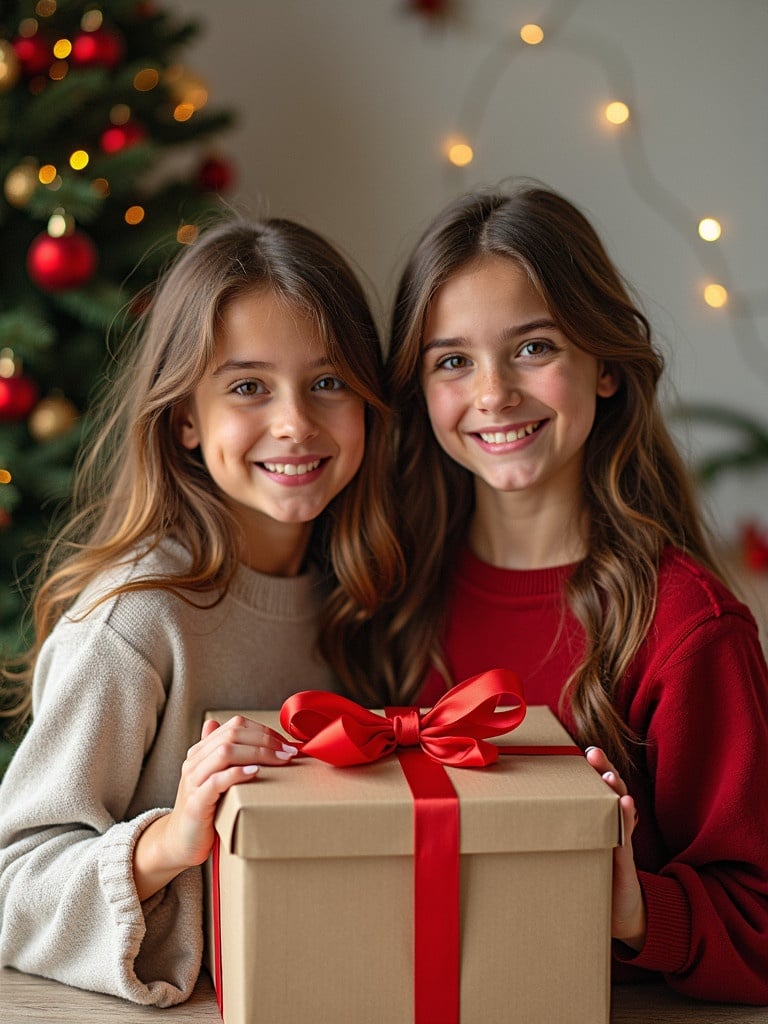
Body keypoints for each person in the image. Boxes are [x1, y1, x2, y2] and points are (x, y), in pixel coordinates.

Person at [0, 216, 401, 1005]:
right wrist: (170, 841)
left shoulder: (362, 592)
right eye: (248, 386)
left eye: (328, 383)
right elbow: (12, 887)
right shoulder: (134, 623)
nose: (295, 422)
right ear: (185, 417)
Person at [383, 184, 768, 1003]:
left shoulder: (686, 626)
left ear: (604, 368)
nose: (492, 393)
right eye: (453, 360)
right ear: (421, 392)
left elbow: (760, 925)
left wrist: (637, 910)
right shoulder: (391, 590)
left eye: (533, 348)